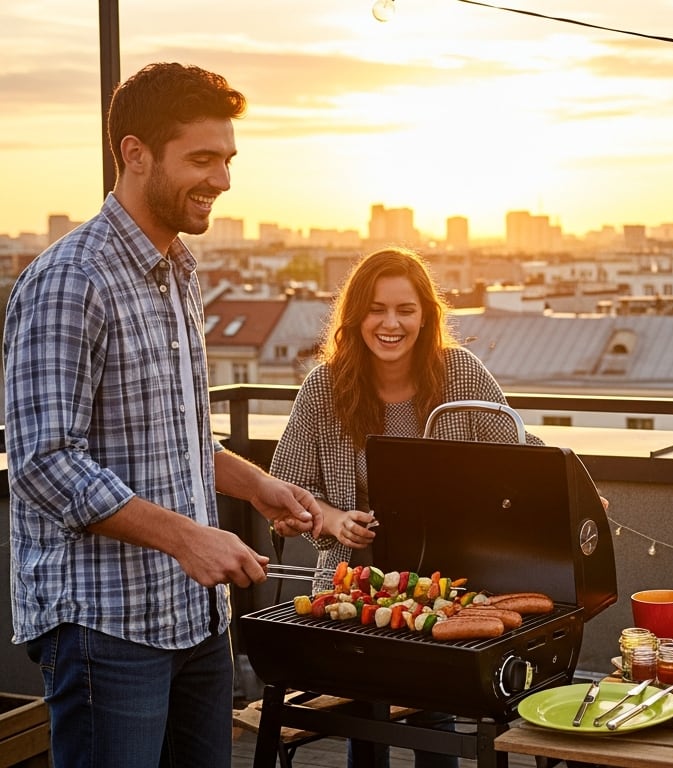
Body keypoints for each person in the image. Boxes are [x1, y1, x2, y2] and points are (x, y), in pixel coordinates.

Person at [4, 62, 321, 768]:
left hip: (193, 618)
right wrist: (186, 538)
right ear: (135, 153)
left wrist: (258, 487)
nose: (223, 179)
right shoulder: (70, 279)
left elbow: (176, 437)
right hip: (106, 625)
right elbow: (43, 464)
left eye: (229, 159)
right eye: (202, 159)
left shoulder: (179, 269)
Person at [270, 246, 541, 768]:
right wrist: (332, 519)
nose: (390, 323)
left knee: (434, 712)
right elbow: (286, 488)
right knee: (364, 718)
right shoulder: (322, 387)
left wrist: (574, 490)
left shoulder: (460, 371)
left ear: (426, 316)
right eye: (375, 308)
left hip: (448, 586)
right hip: (351, 588)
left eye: (405, 309)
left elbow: (518, 448)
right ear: (355, 316)